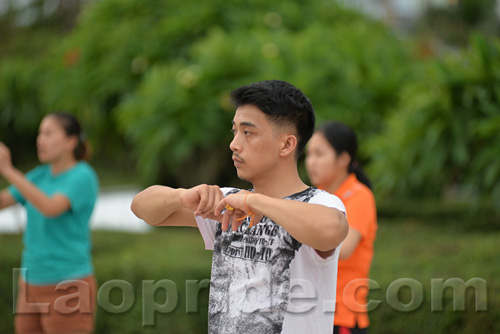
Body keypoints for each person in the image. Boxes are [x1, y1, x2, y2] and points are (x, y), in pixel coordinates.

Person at [131, 80, 349, 334]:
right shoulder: (229, 201)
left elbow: (332, 229)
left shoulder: (318, 203)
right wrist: (182, 196)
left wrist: (253, 201)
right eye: (234, 131)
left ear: (287, 144)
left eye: (248, 132)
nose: (234, 144)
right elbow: (141, 208)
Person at [0, 112, 99, 334]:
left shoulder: (83, 176)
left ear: (71, 141)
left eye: (48, 133)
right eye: (39, 133)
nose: (40, 140)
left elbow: (50, 208)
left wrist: (8, 170)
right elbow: (3, 201)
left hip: (68, 286)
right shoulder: (39, 175)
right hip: (30, 283)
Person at [305, 121, 377, 334]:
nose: (311, 162)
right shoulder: (314, 197)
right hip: (308, 311)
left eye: (319, 154)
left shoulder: (359, 196)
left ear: (343, 159)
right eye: (308, 154)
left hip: (341, 316)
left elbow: (344, 249)